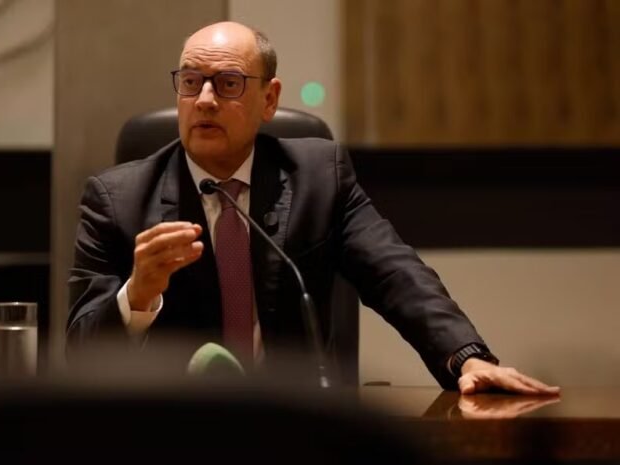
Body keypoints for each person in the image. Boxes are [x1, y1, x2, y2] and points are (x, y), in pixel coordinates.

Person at [67, 21, 559, 395]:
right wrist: (137, 294)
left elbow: (396, 274)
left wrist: (466, 357)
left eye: (229, 83)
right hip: (178, 436)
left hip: (297, 426)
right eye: (191, 82)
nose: (206, 99)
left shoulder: (319, 177)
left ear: (269, 99)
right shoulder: (117, 199)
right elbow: (80, 352)